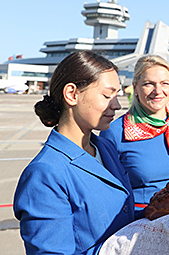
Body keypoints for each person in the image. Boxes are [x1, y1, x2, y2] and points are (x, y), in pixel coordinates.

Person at [14, 51, 135, 254]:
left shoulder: (104, 148)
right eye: (107, 95)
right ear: (72, 94)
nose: (117, 105)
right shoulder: (45, 173)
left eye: (116, 96)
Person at [100, 55, 169, 215]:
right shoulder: (115, 132)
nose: (158, 91)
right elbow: (107, 192)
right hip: (140, 222)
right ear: (135, 88)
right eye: (148, 84)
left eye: (165, 83)